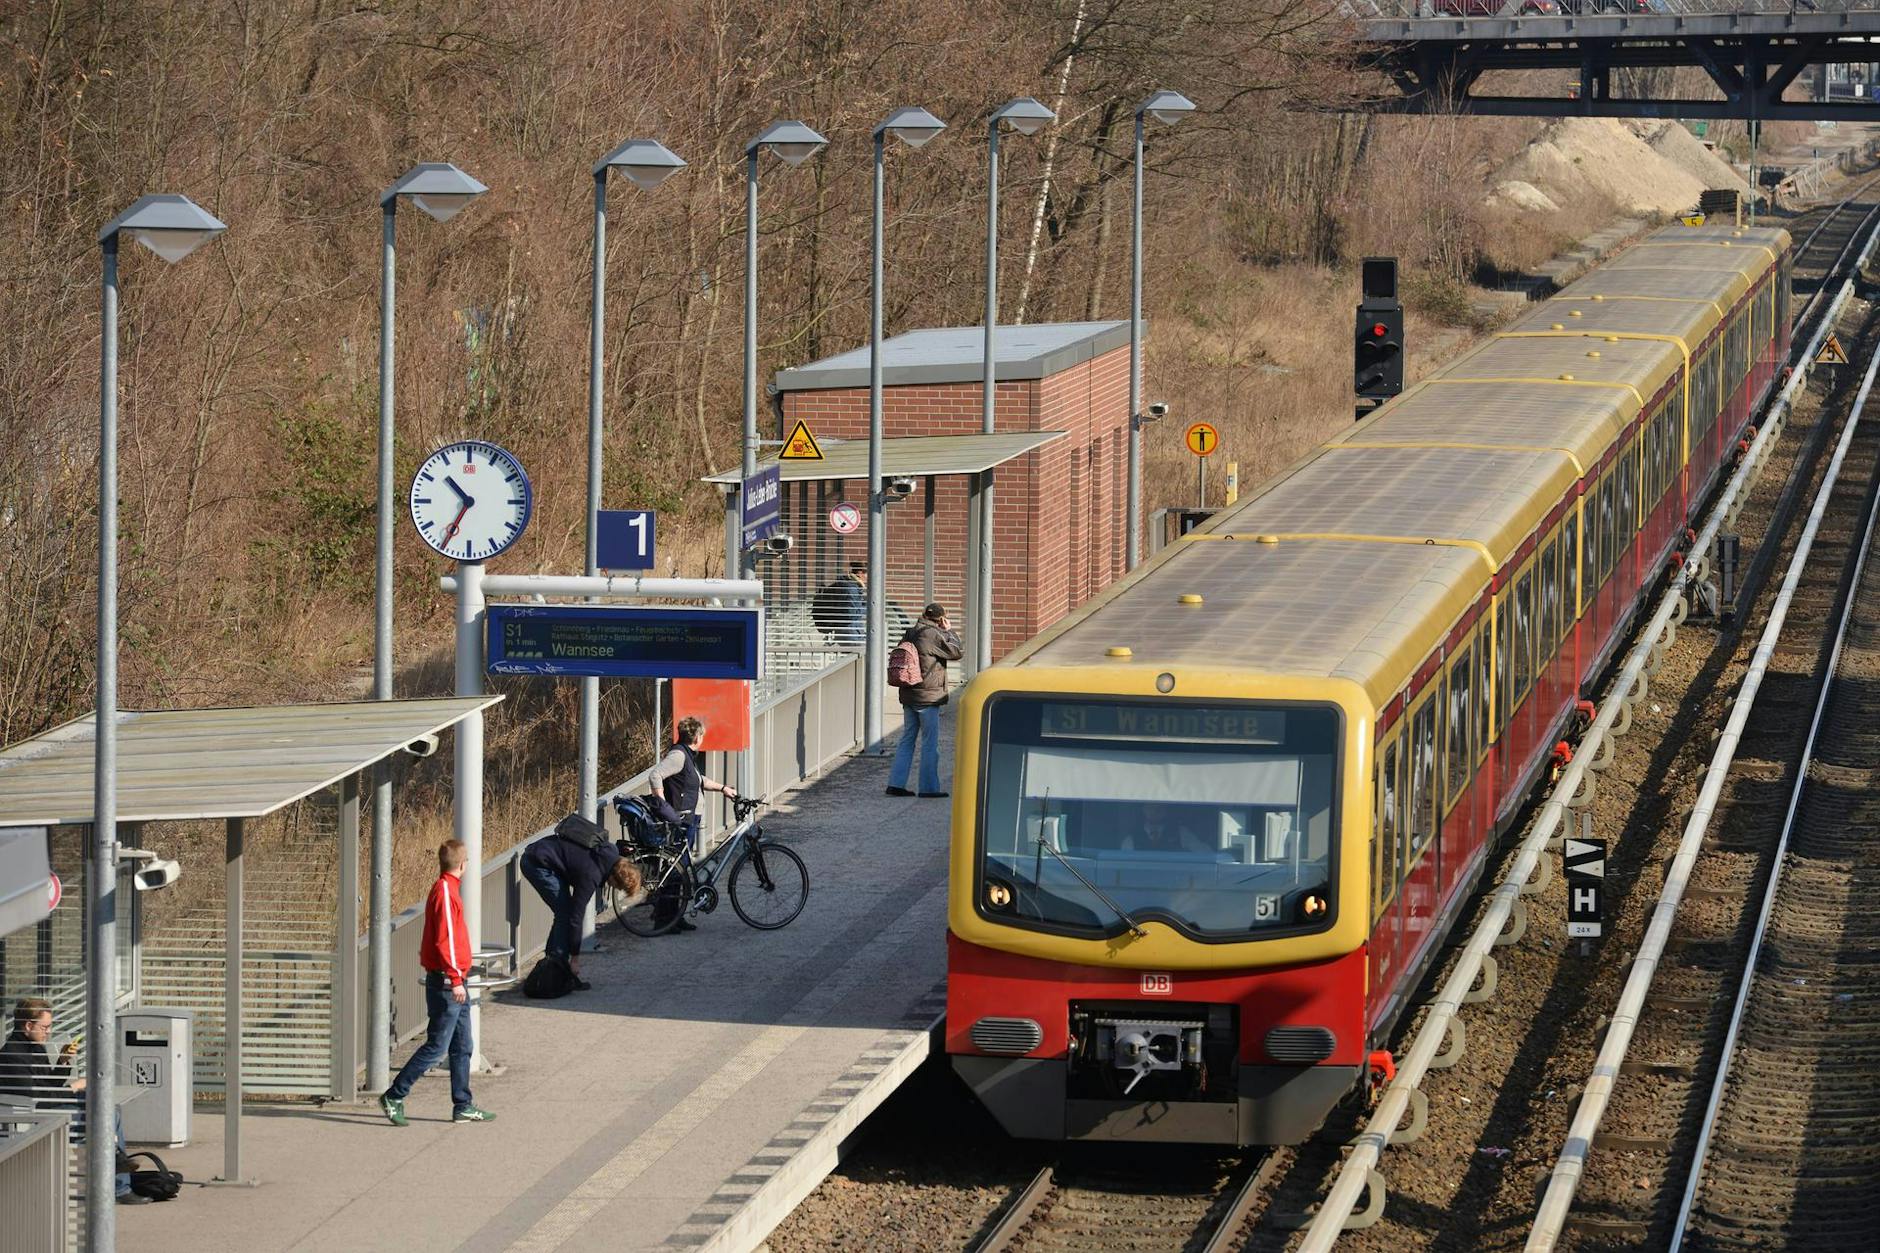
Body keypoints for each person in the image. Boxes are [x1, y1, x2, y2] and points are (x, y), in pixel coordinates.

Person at [380, 840, 494, 1126]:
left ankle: (463, 1104)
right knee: (437, 1047)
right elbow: (448, 940)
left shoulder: (445, 888)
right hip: (448, 983)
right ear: (463, 865)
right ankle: (395, 1095)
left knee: (463, 1045)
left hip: (453, 981)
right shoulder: (445, 891)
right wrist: (455, 979)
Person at [2, 998, 138, 1203]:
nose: (48, 1032)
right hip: (34, 1118)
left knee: (108, 1109)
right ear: (28, 1025)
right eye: (45, 1027)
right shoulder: (12, 1055)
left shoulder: (34, 1047)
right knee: (106, 1114)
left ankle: (117, 1165)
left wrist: (62, 1062)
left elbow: (48, 1086)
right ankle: (118, 1177)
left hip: (46, 1109)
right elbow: (38, 1099)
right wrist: (73, 1087)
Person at [520, 814, 641, 985]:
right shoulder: (591, 876)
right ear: (614, 878)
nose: (615, 889)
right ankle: (556, 969)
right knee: (565, 913)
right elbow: (576, 918)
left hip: (544, 852)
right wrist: (575, 957)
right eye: (618, 887)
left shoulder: (611, 852)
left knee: (564, 912)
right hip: (536, 863)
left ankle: (554, 964)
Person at [645, 717, 739, 931]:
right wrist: (662, 804)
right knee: (676, 869)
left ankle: (674, 916)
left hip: (689, 819)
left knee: (680, 868)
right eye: (702, 735)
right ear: (697, 737)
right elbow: (655, 775)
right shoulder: (679, 755)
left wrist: (723, 788)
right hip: (682, 820)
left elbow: (698, 780)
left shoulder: (686, 755)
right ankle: (664, 919)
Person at [887, 603, 964, 799]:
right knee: (930, 743)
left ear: (924, 615)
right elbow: (957, 652)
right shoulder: (933, 635)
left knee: (907, 740)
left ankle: (895, 784)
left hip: (909, 694)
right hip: (928, 697)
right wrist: (950, 631)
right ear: (941, 619)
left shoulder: (911, 632)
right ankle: (929, 788)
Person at [812, 562, 868, 648]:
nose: (868, 578)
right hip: (850, 634)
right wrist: (867, 609)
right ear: (860, 573)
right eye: (867, 574)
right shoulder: (851, 588)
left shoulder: (851, 586)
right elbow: (850, 614)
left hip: (850, 632)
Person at [1122, 803, 1213, 855]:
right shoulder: (1131, 839)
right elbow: (1124, 867)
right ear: (1143, 810)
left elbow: (1206, 854)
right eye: (1150, 807)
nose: (1155, 811)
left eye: (1159, 808)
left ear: (1165, 810)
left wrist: (1185, 854)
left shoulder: (1181, 833)